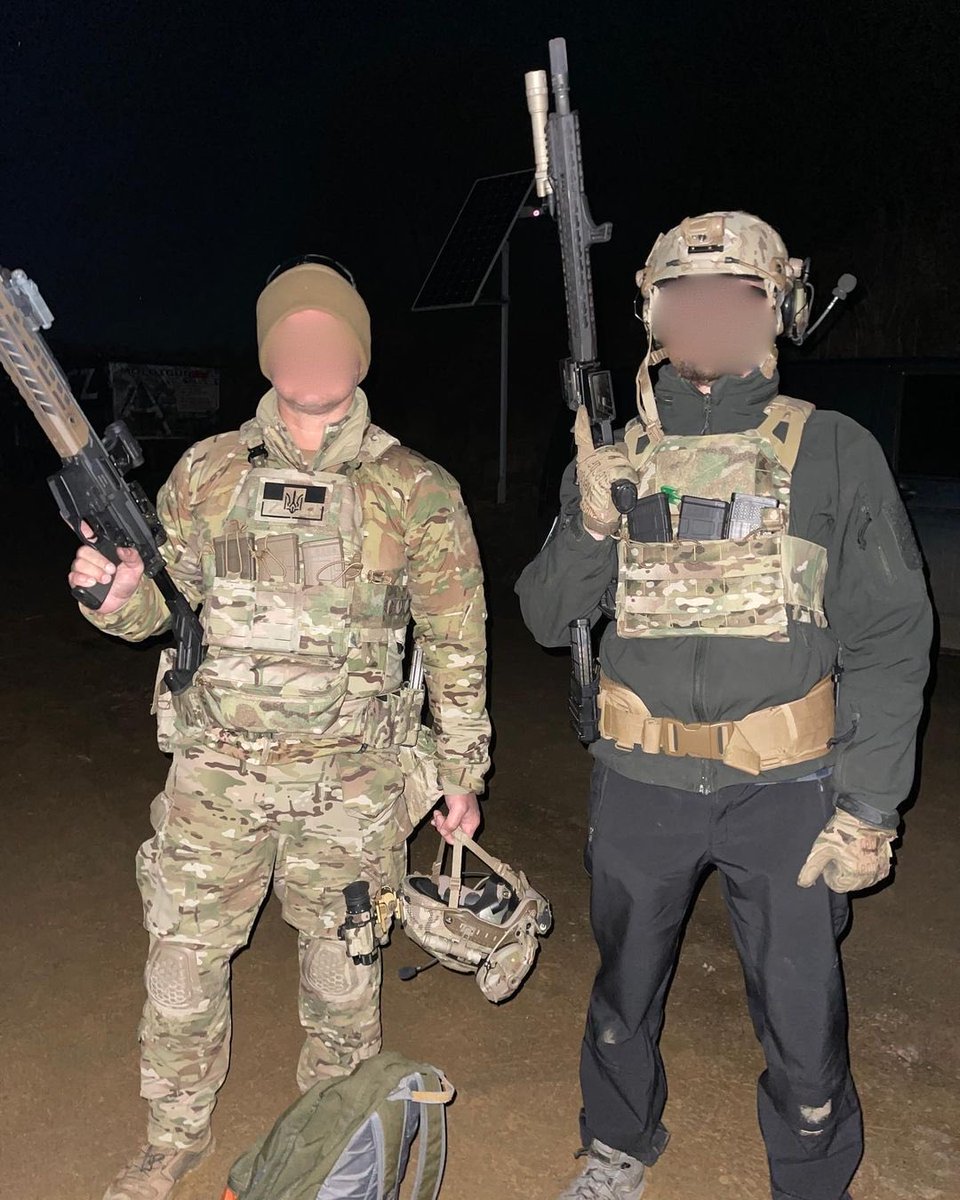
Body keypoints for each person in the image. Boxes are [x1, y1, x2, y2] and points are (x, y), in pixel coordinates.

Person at [516, 212, 932, 1200]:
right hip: (639, 783)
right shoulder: (614, 454)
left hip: (786, 787)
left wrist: (870, 805)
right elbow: (543, 616)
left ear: (777, 311)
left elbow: (888, 635)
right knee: (622, 986)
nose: (707, 316)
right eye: (684, 297)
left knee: (801, 1004)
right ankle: (617, 1144)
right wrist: (589, 522)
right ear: (653, 317)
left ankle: (811, 1178)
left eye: (735, 297)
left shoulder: (833, 449)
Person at [71, 256, 491, 1200]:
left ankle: (332, 1147)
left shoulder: (414, 486)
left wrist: (460, 769)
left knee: (343, 974)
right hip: (216, 774)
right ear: (268, 353)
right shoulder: (207, 472)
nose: (312, 351)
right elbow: (162, 609)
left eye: (329, 333)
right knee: (182, 965)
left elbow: (456, 636)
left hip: (351, 782)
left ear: (359, 353)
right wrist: (117, 600)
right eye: (293, 333)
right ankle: (171, 1139)